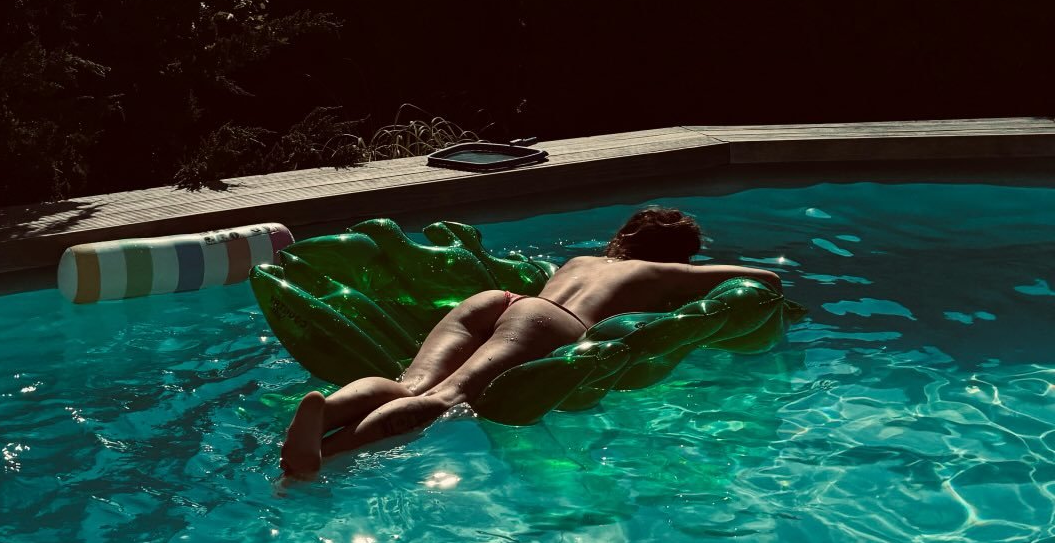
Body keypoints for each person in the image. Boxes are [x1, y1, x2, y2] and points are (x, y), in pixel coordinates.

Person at [281, 206, 782, 475]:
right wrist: (688, 276)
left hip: (496, 300)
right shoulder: (663, 271)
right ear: (678, 254)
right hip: (550, 322)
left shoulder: (582, 261)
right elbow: (767, 281)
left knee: (411, 383)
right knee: (447, 399)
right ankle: (330, 456)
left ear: (623, 238)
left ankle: (323, 414)